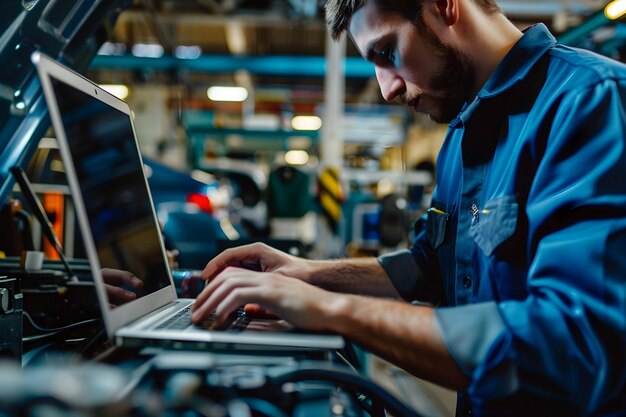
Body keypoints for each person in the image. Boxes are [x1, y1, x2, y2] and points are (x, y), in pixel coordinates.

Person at [192, 0, 626, 415]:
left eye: (387, 52)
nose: (387, 88)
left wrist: (330, 310)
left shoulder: (591, 102)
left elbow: (573, 347)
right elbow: (432, 267)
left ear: (444, 5)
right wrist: (308, 274)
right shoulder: (461, 134)